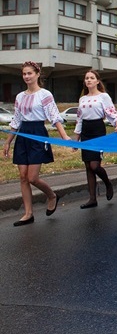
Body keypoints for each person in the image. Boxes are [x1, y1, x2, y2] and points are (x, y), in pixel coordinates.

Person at [2, 61, 70, 226]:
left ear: (37, 74)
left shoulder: (45, 94)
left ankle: (52, 195)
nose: (26, 76)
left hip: (38, 133)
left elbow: (54, 117)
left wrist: (64, 137)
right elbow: (16, 120)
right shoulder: (20, 96)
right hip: (23, 134)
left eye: (29, 73)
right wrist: (8, 142)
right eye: (24, 74)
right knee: (23, 177)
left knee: (32, 177)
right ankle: (28, 214)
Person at [74, 70, 117, 209]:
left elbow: (112, 112)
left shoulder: (103, 96)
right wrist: (76, 139)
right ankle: (92, 199)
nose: (89, 80)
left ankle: (107, 183)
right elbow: (79, 119)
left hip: (97, 129)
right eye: (86, 78)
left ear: (97, 81)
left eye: (92, 78)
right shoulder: (82, 99)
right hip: (86, 131)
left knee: (95, 165)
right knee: (88, 167)